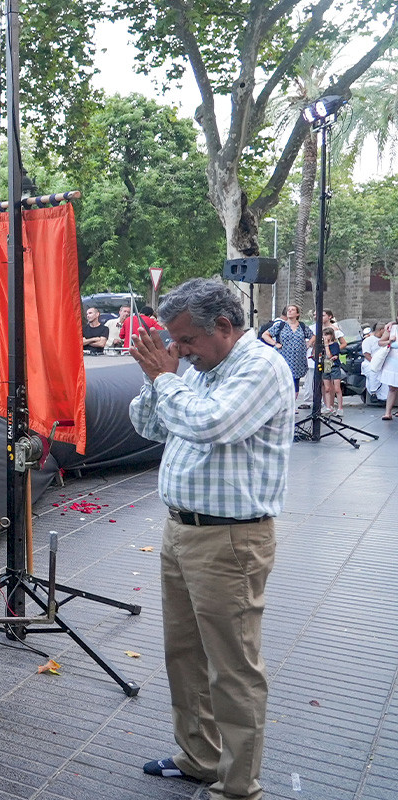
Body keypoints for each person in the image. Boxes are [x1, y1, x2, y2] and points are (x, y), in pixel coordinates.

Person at [127, 278, 293, 800]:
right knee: (184, 653)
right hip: (182, 529)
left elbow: (212, 426)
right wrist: (156, 381)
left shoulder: (260, 367)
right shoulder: (197, 369)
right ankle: (199, 757)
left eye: (188, 340)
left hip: (230, 539)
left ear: (224, 325)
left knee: (233, 666)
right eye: (174, 341)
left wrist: (166, 379)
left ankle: (239, 784)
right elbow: (151, 428)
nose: (181, 351)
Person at [260, 304, 313, 393]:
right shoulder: (280, 325)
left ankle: (293, 403)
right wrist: (275, 343)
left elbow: (313, 336)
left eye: (292, 310)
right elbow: (265, 335)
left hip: (298, 359)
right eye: (288, 310)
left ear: (297, 314)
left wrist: (308, 344)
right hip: (284, 357)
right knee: (283, 381)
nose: (289, 311)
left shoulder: (302, 326)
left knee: (295, 382)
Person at [361, 323, 390, 404]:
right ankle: (373, 392)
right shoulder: (368, 340)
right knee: (373, 371)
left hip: (383, 363)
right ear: (381, 330)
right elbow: (367, 354)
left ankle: (384, 397)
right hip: (370, 362)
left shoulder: (385, 341)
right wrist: (376, 363)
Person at [319, 328, 344, 417]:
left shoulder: (335, 345)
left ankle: (340, 408)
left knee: (337, 388)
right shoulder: (322, 345)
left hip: (334, 366)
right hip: (327, 365)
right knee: (327, 388)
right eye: (324, 335)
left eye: (327, 335)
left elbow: (330, 355)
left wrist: (326, 346)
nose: (325, 337)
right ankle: (328, 406)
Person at [377, 320, 398, 421]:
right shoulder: (391, 329)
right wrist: (389, 341)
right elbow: (380, 342)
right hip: (393, 361)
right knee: (392, 387)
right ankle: (387, 412)